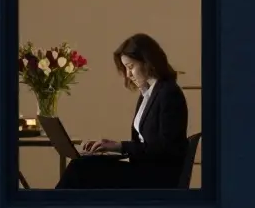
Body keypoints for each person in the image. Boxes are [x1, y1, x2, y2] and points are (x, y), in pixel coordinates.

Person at [55, 33, 188, 189]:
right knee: (82, 163)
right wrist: (112, 146)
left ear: (147, 62)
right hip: (145, 170)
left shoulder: (169, 93)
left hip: (156, 178)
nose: (128, 74)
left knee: (80, 170)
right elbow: (145, 145)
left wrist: (120, 147)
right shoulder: (148, 93)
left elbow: (165, 150)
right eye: (125, 68)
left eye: (130, 67)